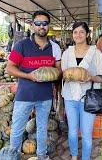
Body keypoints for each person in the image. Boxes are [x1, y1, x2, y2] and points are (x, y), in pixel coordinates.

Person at [6, 11, 61, 160]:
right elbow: (9, 68)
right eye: (38, 23)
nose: (41, 26)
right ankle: (13, 157)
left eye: (45, 23)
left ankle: (42, 156)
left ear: (48, 26)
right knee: (17, 129)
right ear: (32, 25)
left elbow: (58, 71)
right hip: (24, 96)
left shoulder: (55, 48)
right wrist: (28, 76)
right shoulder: (21, 45)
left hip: (45, 97)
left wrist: (58, 80)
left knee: (42, 129)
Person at [61, 21, 102, 160]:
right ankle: (74, 157)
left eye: (81, 32)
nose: (78, 35)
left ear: (87, 34)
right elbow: (64, 73)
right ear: (72, 35)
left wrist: (90, 78)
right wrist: (68, 76)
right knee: (73, 132)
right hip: (70, 97)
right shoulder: (67, 53)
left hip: (89, 99)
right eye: (75, 32)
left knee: (87, 134)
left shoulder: (96, 53)